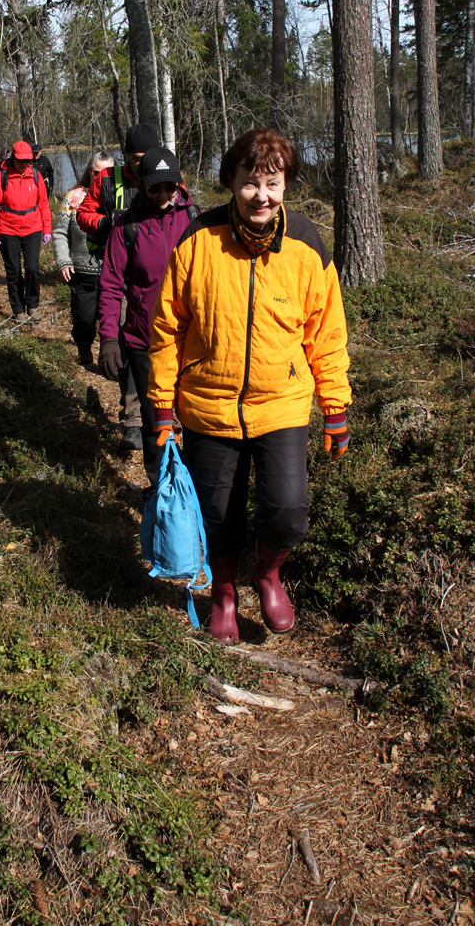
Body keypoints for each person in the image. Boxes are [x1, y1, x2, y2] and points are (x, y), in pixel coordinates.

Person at [148, 128, 351, 643]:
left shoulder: (306, 245)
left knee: (286, 512)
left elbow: (325, 334)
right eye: (249, 183)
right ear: (231, 183)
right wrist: (164, 408)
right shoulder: (198, 240)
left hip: (281, 404)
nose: (262, 196)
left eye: (274, 184)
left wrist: (335, 407)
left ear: (286, 186)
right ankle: (223, 595)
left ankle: (267, 575)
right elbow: (168, 329)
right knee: (218, 515)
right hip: (208, 407)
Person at [97, 146, 200, 490]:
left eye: (168, 187)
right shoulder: (126, 225)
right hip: (145, 342)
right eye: (153, 188)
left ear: (178, 185)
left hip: (192, 340)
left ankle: (199, 487)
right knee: (157, 419)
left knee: (197, 417)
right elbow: (111, 285)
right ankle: (161, 490)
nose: (161, 195)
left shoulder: (194, 219)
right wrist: (109, 338)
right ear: (142, 186)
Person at [77, 122, 161, 452]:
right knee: (130, 347)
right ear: (125, 156)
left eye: (145, 157)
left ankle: (166, 413)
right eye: (133, 157)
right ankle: (134, 421)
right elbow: (84, 214)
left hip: (156, 278)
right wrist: (107, 223)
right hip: (118, 273)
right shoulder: (107, 180)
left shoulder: (165, 178)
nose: (139, 164)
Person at [52, 150, 115, 368]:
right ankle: (84, 345)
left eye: (106, 173)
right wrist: (64, 260)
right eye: (96, 173)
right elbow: (60, 233)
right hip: (82, 273)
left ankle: (110, 355)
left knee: (114, 319)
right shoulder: (74, 198)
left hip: (112, 272)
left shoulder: (120, 198)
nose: (100, 178)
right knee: (84, 319)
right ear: (90, 172)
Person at [0, 139, 52, 324]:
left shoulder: (36, 176)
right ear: (13, 158)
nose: (24, 165)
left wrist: (47, 228)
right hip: (8, 229)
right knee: (13, 271)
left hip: (33, 227)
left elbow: (44, 205)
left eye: (27, 161)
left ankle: (32, 305)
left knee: (32, 268)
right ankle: (18, 310)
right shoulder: (3, 177)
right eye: (20, 161)